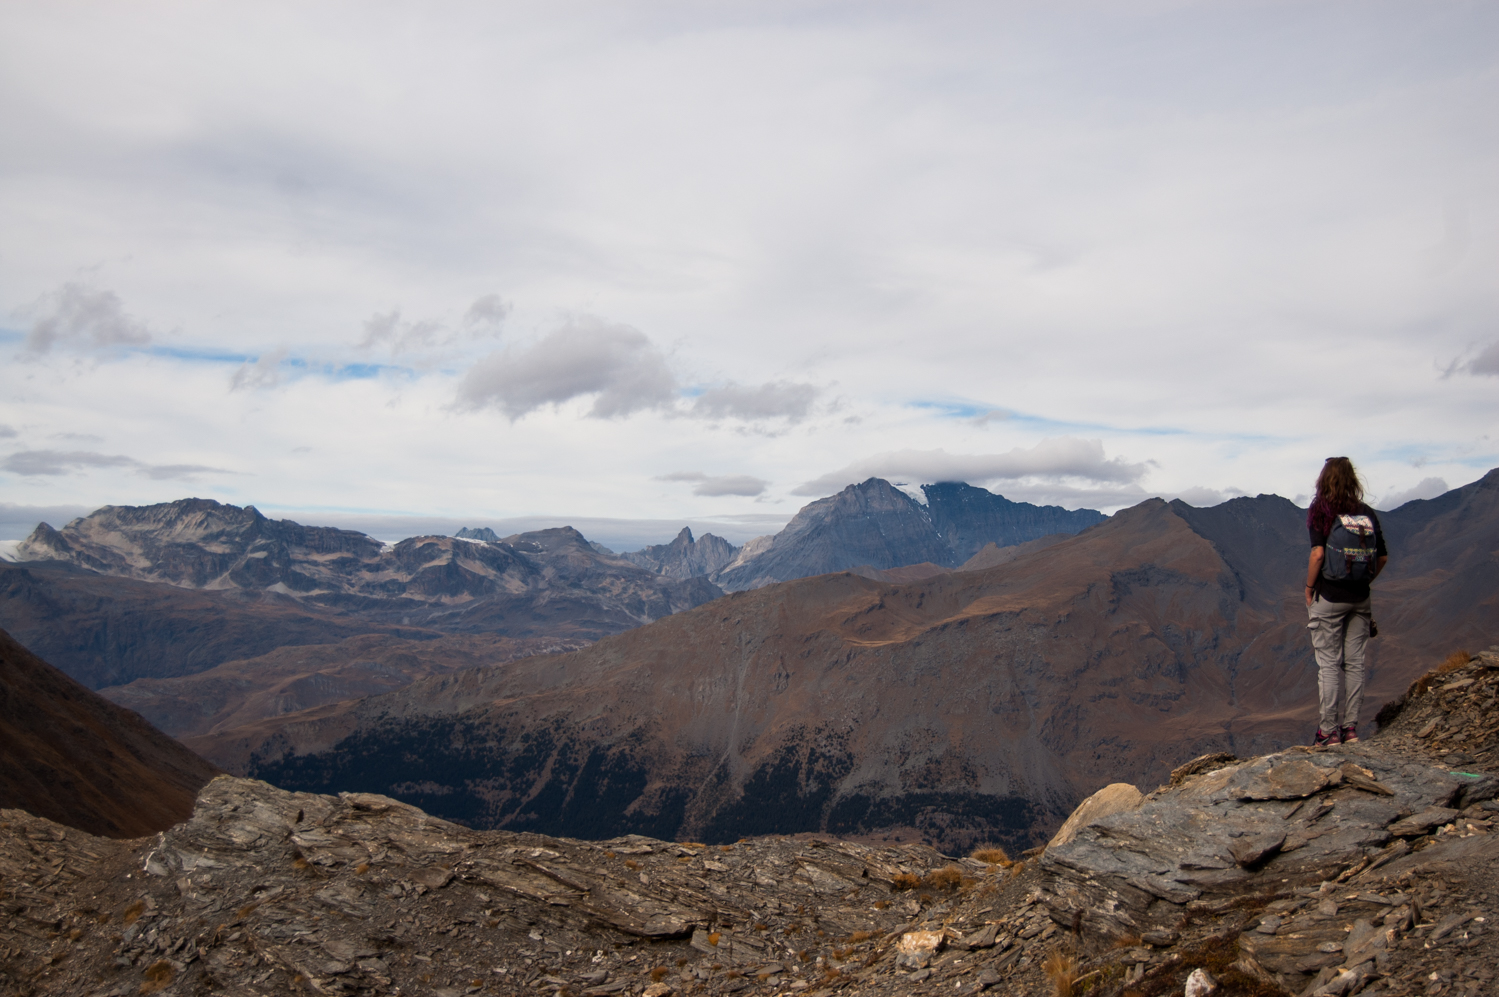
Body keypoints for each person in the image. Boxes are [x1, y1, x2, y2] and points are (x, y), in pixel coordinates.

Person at [1304, 457, 1388, 747]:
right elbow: (1383, 557)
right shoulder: (1366, 513)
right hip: (1361, 599)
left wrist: (1309, 587)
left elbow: (1317, 554)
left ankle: (1327, 733)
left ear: (1324, 480)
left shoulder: (1321, 511)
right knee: (1355, 664)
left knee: (1328, 665)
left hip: (1329, 596)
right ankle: (1350, 730)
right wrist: (1364, 581)